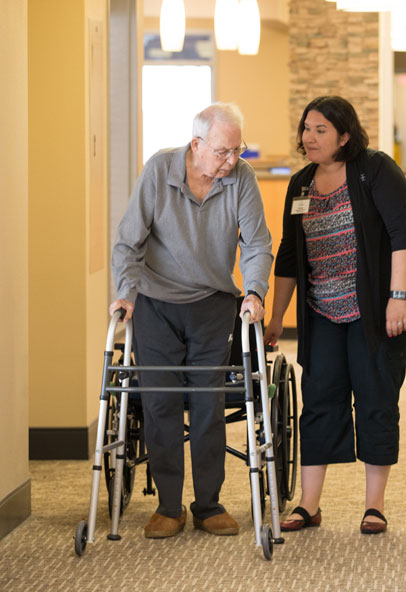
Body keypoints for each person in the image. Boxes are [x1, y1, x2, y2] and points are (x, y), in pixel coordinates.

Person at [110, 102, 273, 539]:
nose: (232, 161)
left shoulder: (241, 179)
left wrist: (255, 291)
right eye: (223, 152)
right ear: (196, 144)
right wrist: (125, 294)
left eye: (237, 151)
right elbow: (129, 242)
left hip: (213, 302)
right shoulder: (159, 171)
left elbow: (257, 244)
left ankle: (207, 504)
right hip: (156, 302)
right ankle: (167, 506)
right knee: (160, 402)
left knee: (208, 402)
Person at [263, 96, 406, 534]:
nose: (309, 137)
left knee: (375, 396)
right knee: (319, 400)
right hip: (323, 312)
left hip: (375, 309)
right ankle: (309, 505)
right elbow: (290, 256)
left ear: (344, 136)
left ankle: (374, 506)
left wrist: (397, 296)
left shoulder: (375, 170)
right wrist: (277, 317)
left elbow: (402, 235)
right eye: (306, 129)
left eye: (320, 130)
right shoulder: (300, 185)